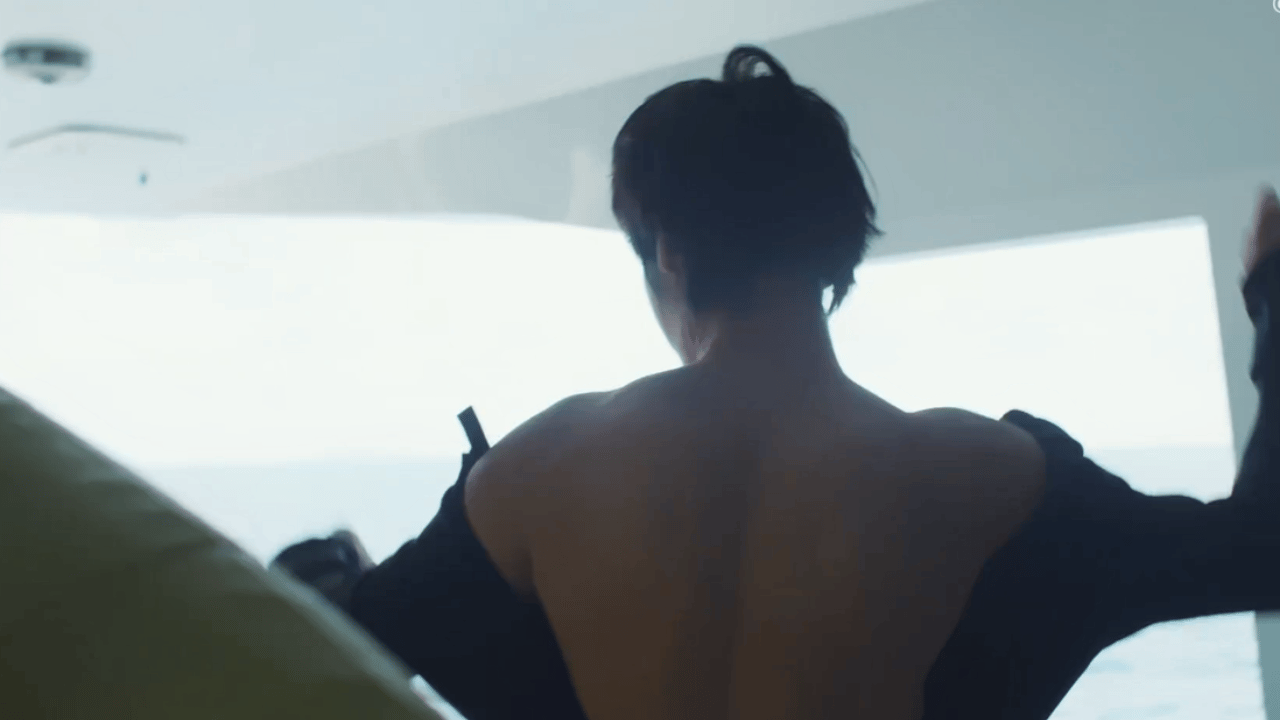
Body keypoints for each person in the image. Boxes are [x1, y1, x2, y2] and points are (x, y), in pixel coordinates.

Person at [272, 46, 1280, 720]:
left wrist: (331, 573)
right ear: (838, 247)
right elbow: (1257, 549)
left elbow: (312, 643)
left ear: (668, 254)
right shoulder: (993, 475)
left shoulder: (534, 477)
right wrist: (1274, 291)